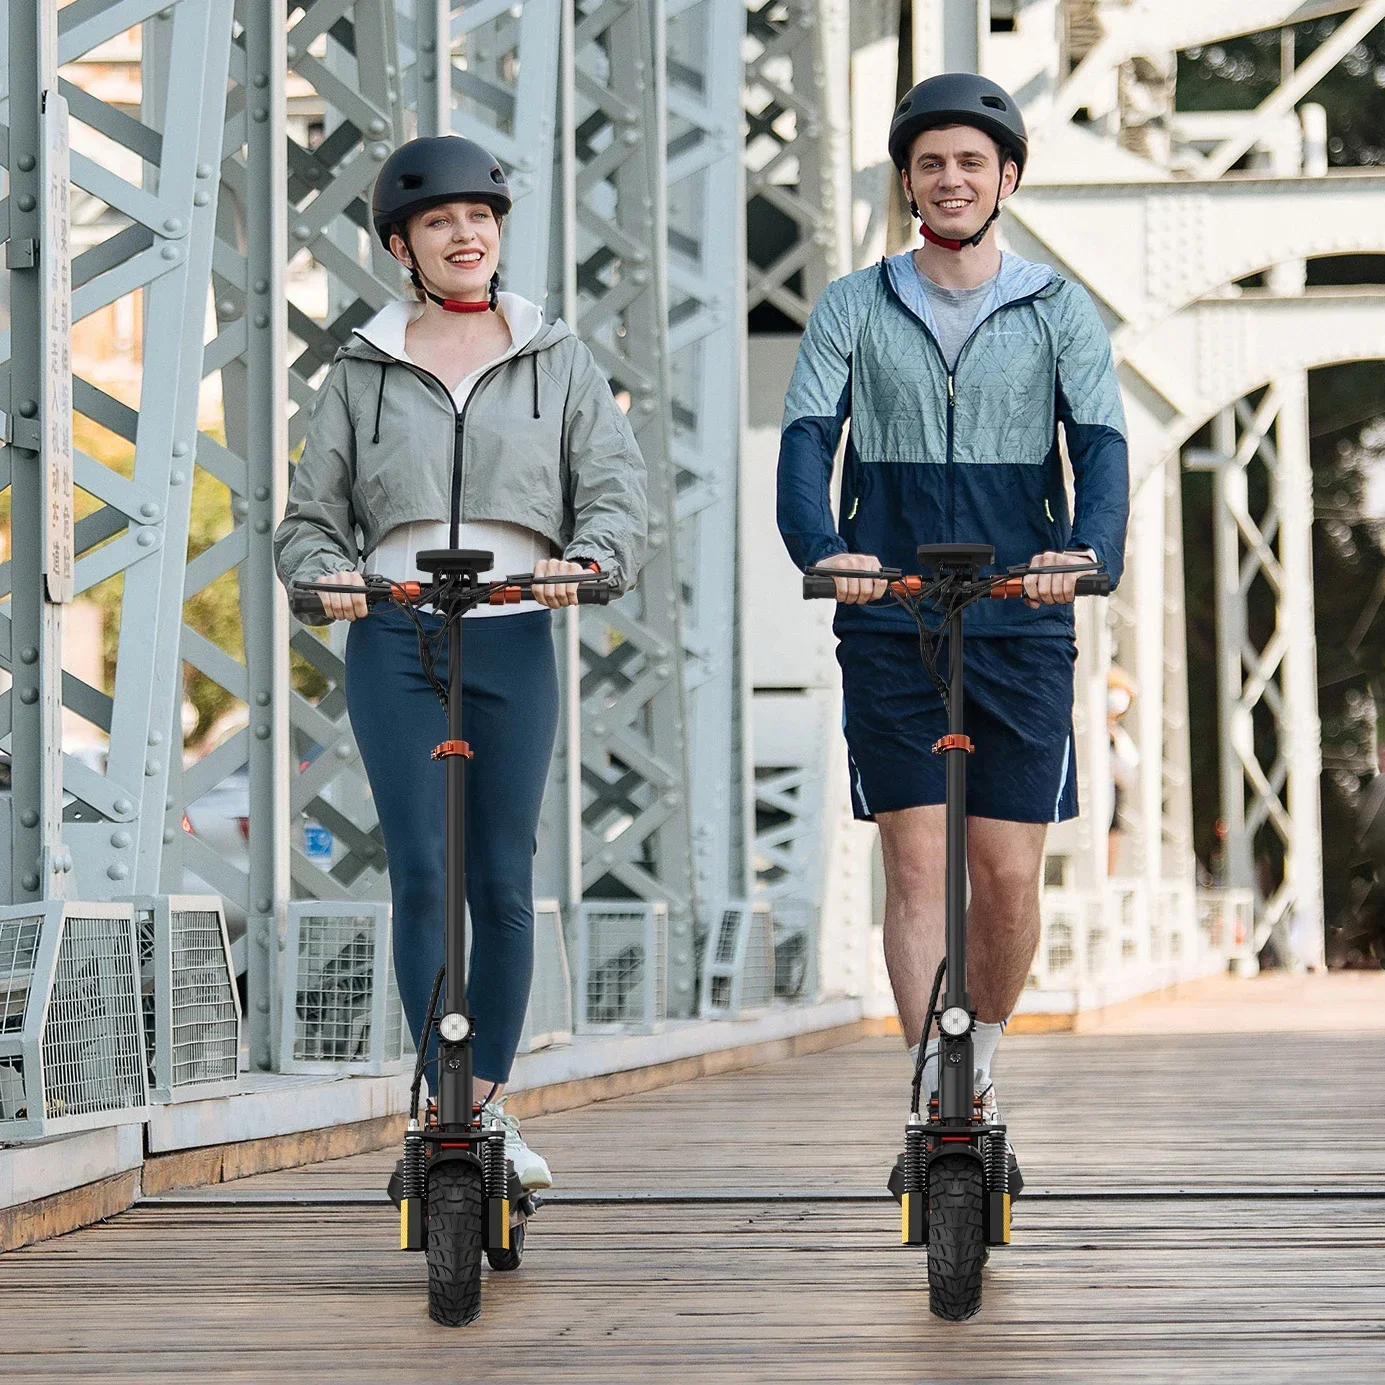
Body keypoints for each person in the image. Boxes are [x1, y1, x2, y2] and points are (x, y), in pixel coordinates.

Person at [274, 135, 648, 1190]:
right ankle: (441, 1091)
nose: (464, 233)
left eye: (479, 215)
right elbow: (308, 516)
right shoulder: (361, 366)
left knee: (500, 875)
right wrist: (324, 572)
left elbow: (613, 491)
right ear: (403, 246)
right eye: (438, 221)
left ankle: (481, 1105)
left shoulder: (554, 355)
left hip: (512, 623)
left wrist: (591, 559)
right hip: (395, 630)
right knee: (423, 869)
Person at [777, 74, 1129, 1183]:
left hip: (1022, 612)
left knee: (1007, 873)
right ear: (907, 181)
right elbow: (805, 437)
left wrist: (1087, 551)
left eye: (971, 161)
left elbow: (1101, 444)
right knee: (918, 861)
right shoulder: (853, 303)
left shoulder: (1056, 306)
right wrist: (820, 547)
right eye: (930, 163)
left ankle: (979, 1060)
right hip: (892, 612)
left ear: (1005, 178)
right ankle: (939, 1086)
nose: (950, 178)